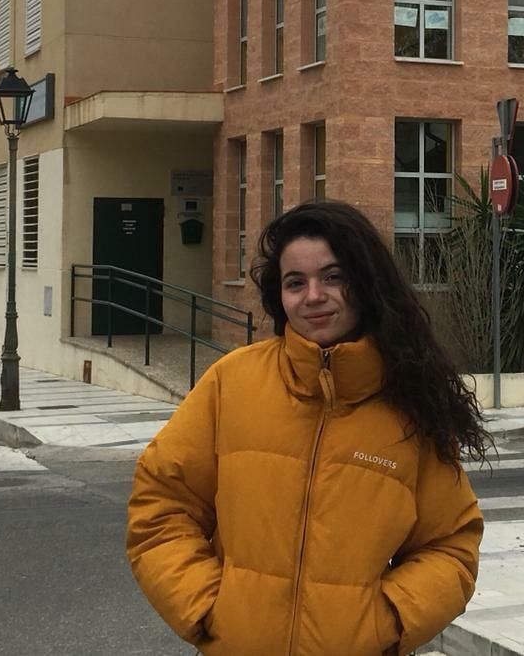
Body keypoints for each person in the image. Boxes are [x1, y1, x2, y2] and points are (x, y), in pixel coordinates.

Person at [126, 198, 488, 655]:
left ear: (366, 283)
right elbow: (161, 506)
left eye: (333, 277)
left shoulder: (409, 403)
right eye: (296, 282)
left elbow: (451, 547)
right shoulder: (231, 383)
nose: (313, 296)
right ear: (280, 295)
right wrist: (208, 608)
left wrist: (387, 621)